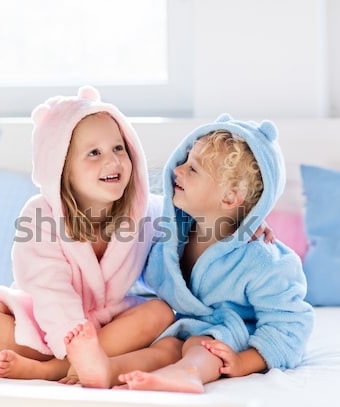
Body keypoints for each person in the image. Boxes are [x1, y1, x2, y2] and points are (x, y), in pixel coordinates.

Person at [63, 114, 314, 392]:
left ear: (230, 198)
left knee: (199, 346)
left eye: (192, 169)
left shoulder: (264, 260)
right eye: (183, 161)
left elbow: (290, 325)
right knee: (166, 346)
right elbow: (132, 257)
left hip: (229, 337)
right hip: (185, 327)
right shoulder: (172, 232)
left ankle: (188, 374)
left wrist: (245, 361)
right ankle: (106, 371)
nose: (177, 170)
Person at [0, 86, 177, 381]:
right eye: (94, 153)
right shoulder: (41, 216)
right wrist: (72, 339)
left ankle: (52, 369)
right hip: (45, 319)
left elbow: (188, 223)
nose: (112, 161)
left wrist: (239, 226)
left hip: (108, 327)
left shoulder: (144, 210)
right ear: (61, 169)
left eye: (118, 148)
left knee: (161, 312)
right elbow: (49, 287)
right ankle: (78, 361)